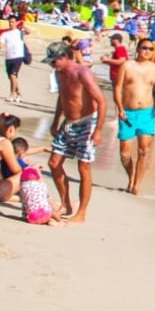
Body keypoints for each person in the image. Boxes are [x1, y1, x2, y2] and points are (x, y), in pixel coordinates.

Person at [45, 42, 107, 223]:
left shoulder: (82, 73)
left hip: (87, 122)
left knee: (83, 167)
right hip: (68, 122)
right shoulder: (59, 73)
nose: (52, 65)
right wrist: (55, 121)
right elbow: (63, 97)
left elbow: (101, 102)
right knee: (54, 163)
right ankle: (66, 203)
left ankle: (81, 213)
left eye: (54, 61)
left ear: (64, 57)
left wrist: (98, 131)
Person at [114, 38, 155, 195]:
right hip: (128, 113)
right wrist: (120, 108)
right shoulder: (127, 65)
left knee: (144, 150)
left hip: (147, 113)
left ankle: (136, 184)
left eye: (150, 49)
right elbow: (117, 88)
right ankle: (131, 177)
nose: (147, 51)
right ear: (137, 49)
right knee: (124, 153)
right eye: (144, 48)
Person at [0, 15, 26, 104]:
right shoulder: (5, 34)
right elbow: (0, 45)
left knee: (13, 75)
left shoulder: (20, 32)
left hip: (18, 56)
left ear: (16, 23)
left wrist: (23, 26)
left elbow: (29, 31)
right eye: (10, 22)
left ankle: (12, 94)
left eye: (13, 22)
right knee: (12, 77)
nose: (11, 24)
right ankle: (19, 93)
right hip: (8, 57)